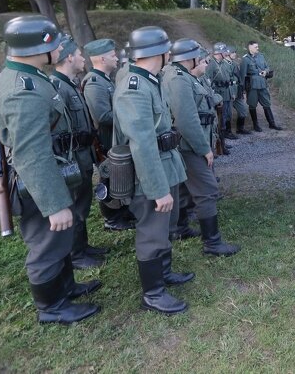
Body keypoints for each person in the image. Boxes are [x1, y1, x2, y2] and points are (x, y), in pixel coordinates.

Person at [0, 15, 100, 324]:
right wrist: (54, 205)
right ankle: (52, 308)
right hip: (39, 181)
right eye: (54, 44)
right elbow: (32, 154)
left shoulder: (30, 76)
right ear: (38, 48)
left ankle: (65, 288)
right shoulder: (22, 90)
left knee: (59, 241)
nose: (59, 50)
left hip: (52, 172)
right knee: (46, 246)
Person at [112, 26, 192, 315]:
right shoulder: (134, 87)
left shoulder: (149, 80)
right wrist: (157, 190)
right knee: (151, 233)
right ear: (159, 52)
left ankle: (164, 274)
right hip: (148, 175)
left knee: (165, 227)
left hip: (163, 166)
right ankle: (153, 293)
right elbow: (142, 144)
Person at [162, 39, 241, 256]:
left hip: (187, 144)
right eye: (200, 56)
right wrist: (203, 148)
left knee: (185, 188)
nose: (203, 61)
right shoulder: (178, 79)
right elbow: (186, 120)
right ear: (190, 58)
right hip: (189, 145)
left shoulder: (183, 76)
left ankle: (179, 227)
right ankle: (212, 243)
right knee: (207, 191)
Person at [50, 36, 105, 270]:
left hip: (83, 155)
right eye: (80, 54)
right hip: (71, 158)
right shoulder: (57, 87)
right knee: (74, 205)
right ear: (69, 57)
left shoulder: (71, 84)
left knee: (82, 204)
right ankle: (75, 254)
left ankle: (82, 246)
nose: (84, 58)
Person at [82, 38, 136, 232]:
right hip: (104, 141)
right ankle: (111, 218)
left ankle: (122, 213)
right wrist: (129, 113)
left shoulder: (105, 80)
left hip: (112, 138)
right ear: (102, 59)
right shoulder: (95, 83)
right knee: (108, 179)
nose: (116, 58)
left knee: (119, 177)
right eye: (113, 55)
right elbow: (102, 116)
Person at [240, 40, 283, 131]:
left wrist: (265, 71)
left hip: (263, 84)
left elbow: (267, 67)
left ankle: (272, 123)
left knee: (267, 103)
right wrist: (242, 88)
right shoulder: (245, 59)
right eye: (256, 47)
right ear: (250, 47)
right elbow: (242, 75)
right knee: (252, 105)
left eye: (257, 47)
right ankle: (255, 125)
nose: (257, 48)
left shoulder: (261, 56)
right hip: (252, 85)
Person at [206, 43, 238, 140]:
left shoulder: (223, 63)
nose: (226, 53)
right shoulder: (211, 64)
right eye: (224, 51)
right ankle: (220, 139)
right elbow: (208, 82)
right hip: (218, 94)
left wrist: (232, 92)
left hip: (227, 92)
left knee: (227, 114)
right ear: (219, 52)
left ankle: (224, 136)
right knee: (220, 117)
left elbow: (229, 79)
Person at [227, 46, 252, 134]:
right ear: (227, 53)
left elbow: (240, 78)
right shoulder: (224, 65)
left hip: (237, 91)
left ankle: (240, 129)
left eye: (235, 52)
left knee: (243, 110)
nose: (235, 54)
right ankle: (227, 132)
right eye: (232, 52)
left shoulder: (234, 64)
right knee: (227, 114)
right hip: (228, 92)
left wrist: (242, 88)